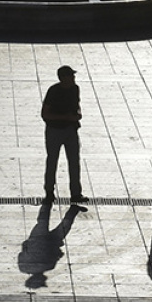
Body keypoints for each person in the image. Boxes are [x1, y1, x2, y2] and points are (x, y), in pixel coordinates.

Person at [41, 65, 87, 205]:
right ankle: (49, 192)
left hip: (71, 130)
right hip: (54, 131)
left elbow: (76, 105)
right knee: (52, 161)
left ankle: (76, 193)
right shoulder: (54, 91)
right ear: (63, 78)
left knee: (74, 162)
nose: (73, 78)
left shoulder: (75, 89)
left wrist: (77, 114)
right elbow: (45, 114)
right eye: (71, 76)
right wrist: (66, 117)